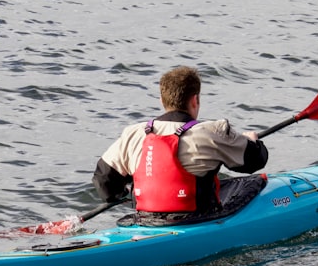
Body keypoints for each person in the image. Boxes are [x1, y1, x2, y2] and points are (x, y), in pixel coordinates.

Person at [92, 66, 269, 217]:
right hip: (197, 220)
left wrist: (126, 195)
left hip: (146, 220)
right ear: (195, 100)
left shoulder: (134, 133)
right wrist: (252, 141)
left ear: (162, 100)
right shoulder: (212, 132)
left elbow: (104, 183)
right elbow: (254, 161)